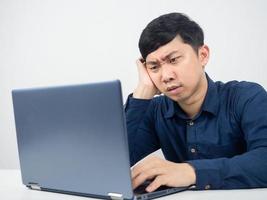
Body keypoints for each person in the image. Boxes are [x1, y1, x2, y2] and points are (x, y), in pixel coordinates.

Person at [124, 12, 267, 193]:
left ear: (203, 55)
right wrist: (142, 92)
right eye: (154, 67)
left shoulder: (246, 97)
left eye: (174, 60)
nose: (166, 76)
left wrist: (191, 172)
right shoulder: (155, 111)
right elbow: (109, 162)